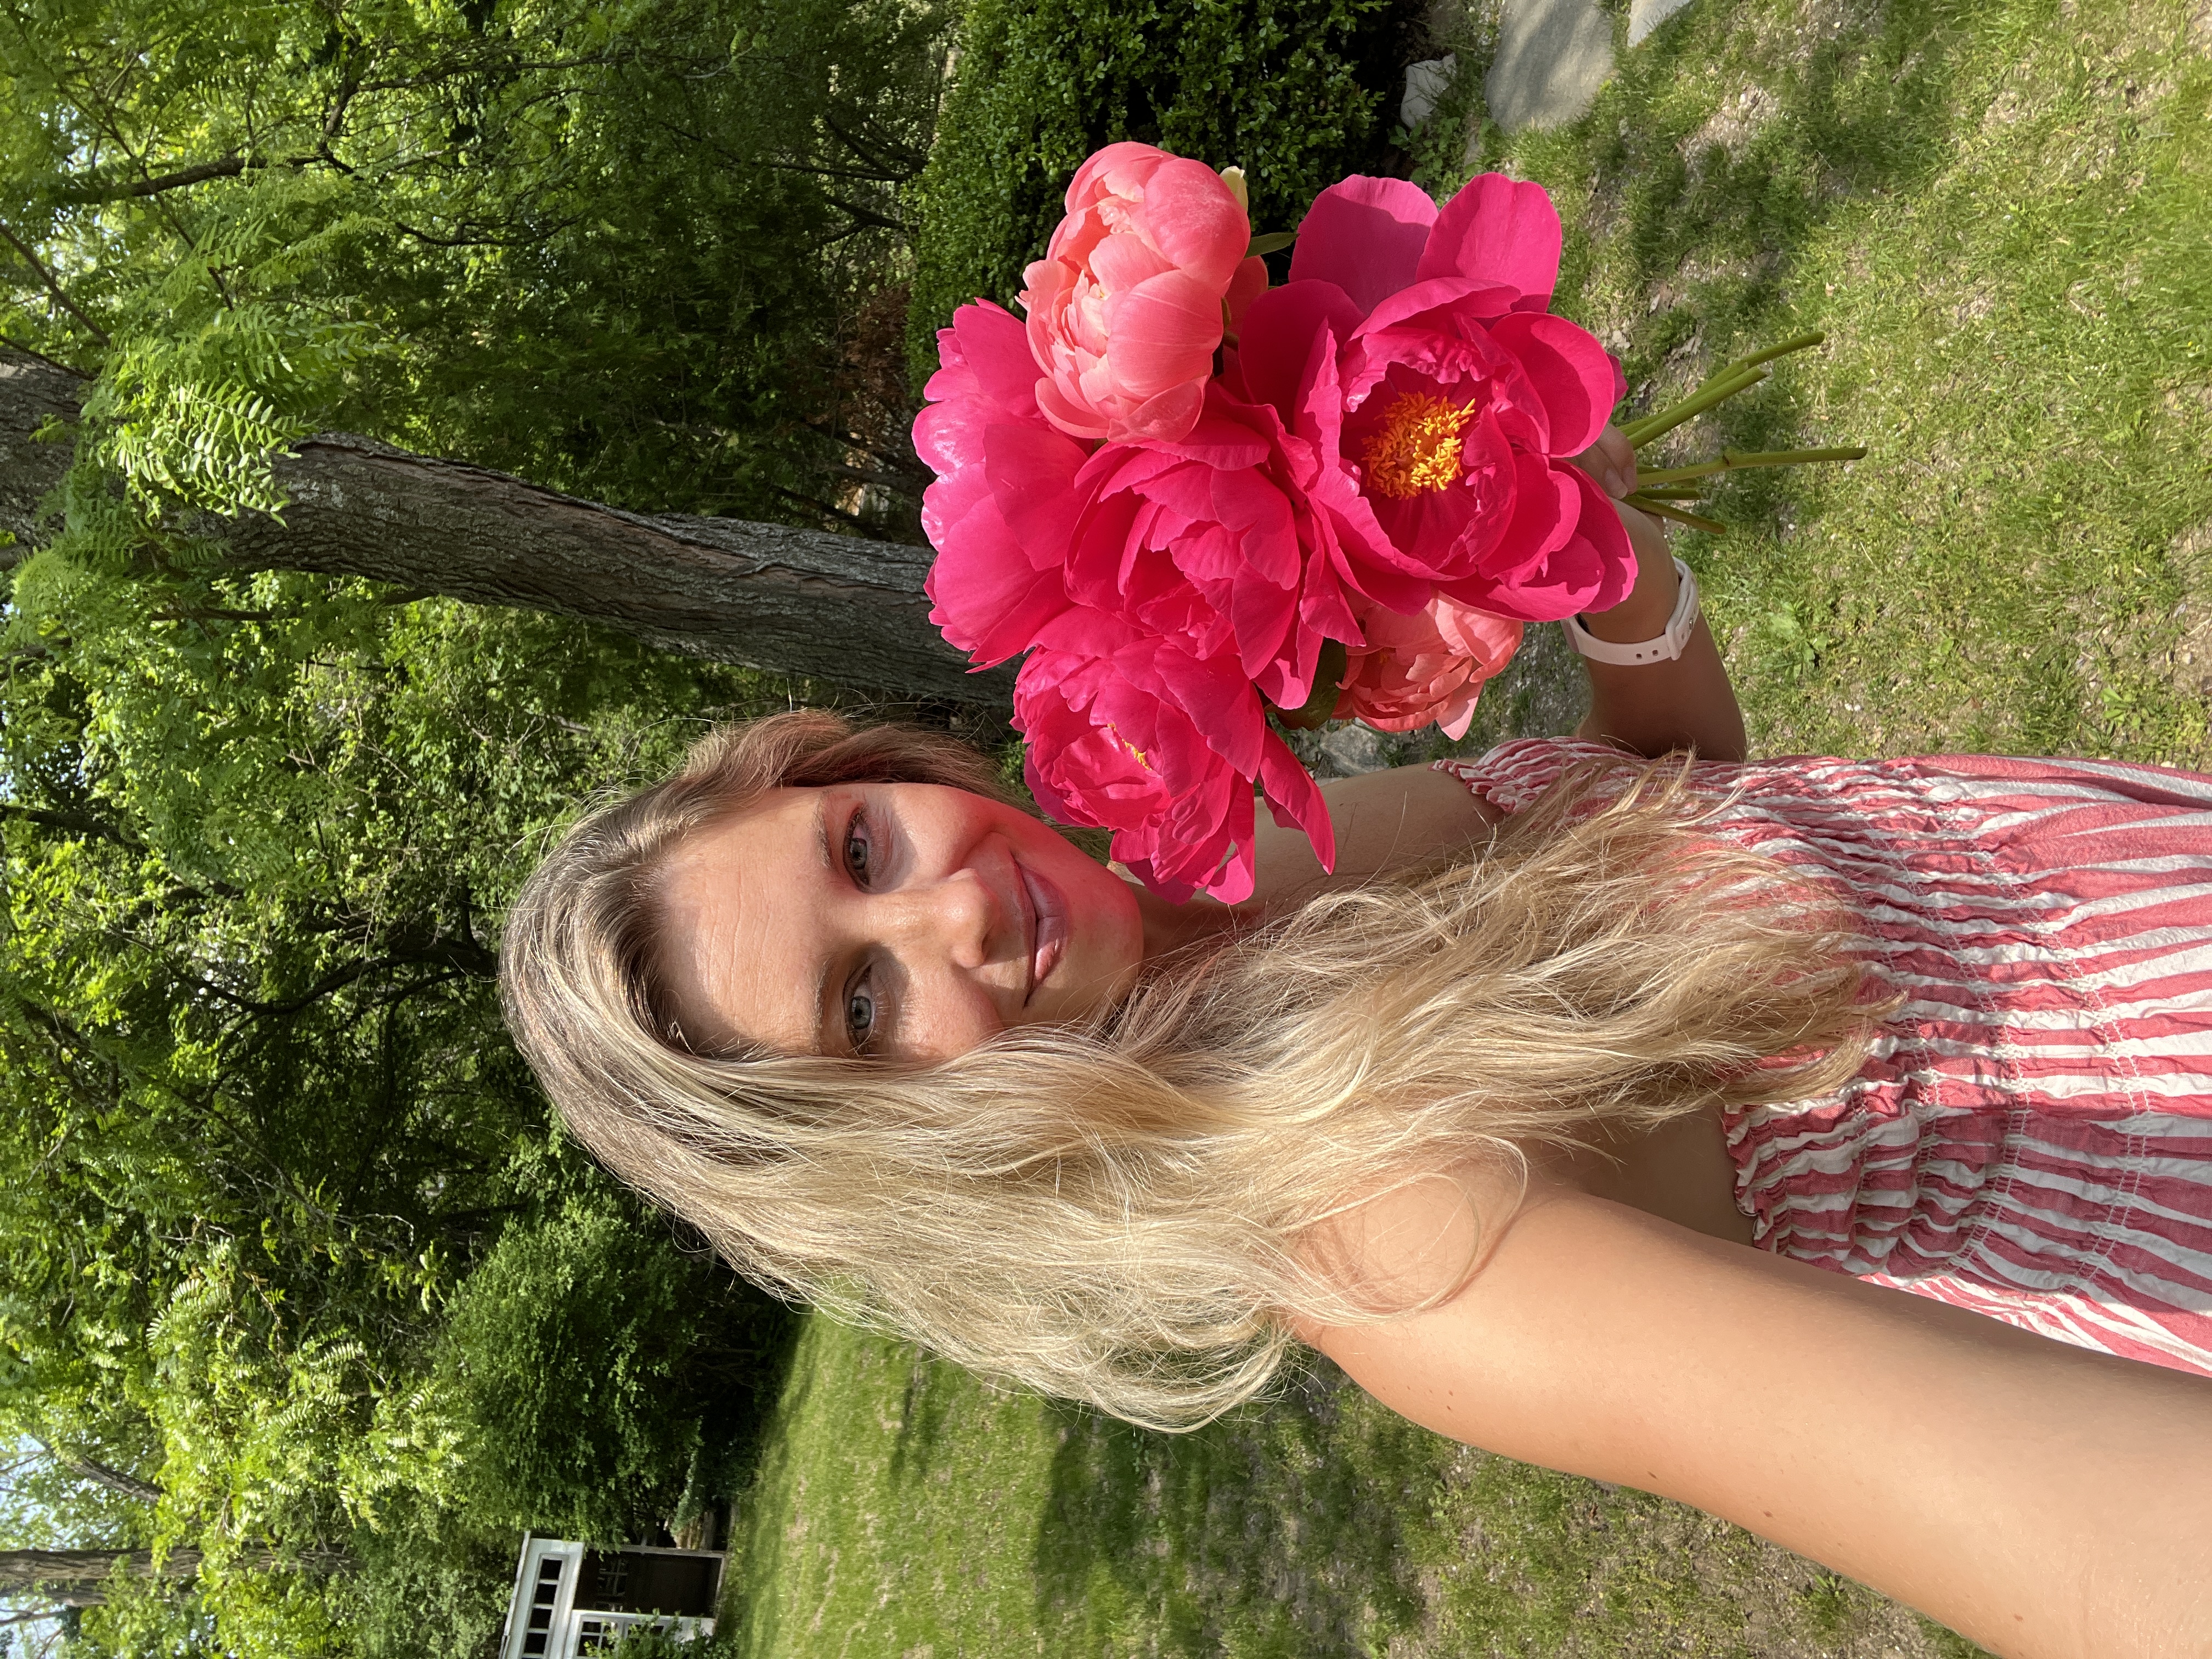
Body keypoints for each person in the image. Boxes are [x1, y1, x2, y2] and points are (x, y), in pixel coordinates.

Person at [498, 429, 2212, 1657]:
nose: (945, 912)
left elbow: (1688, 807)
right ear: (895, 1151)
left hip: (2138, 868)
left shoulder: (1221, 863)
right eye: (865, 1011)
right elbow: (2107, 1544)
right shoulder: (1384, 1233)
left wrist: (1602, 554)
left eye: (859, 849)